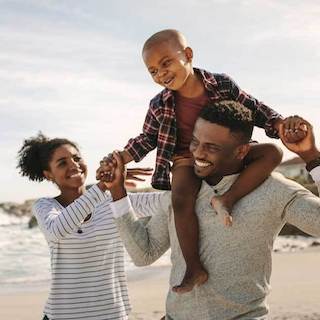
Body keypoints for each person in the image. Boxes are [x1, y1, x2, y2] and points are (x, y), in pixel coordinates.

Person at [104, 29, 307, 293]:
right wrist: (122, 156)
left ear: (187, 55)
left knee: (272, 153)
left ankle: (228, 198)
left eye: (166, 63)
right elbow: (147, 138)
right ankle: (193, 267)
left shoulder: (221, 84)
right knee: (180, 197)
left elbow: (255, 108)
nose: (161, 74)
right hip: (187, 158)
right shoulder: (159, 104)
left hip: (225, 154)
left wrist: (280, 124)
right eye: (153, 71)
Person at [100, 100, 320, 320]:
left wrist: (311, 156)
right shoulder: (181, 193)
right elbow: (144, 254)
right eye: (195, 142)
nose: (198, 153)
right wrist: (118, 192)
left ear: (242, 151)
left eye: (212, 147)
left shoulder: (274, 189)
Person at [16, 133, 157, 320]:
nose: (73, 165)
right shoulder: (45, 206)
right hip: (62, 315)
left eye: (76, 158)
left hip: (113, 314)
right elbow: (57, 230)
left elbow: (168, 202)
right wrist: (103, 186)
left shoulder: (114, 201)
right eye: (62, 163)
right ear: (48, 174)